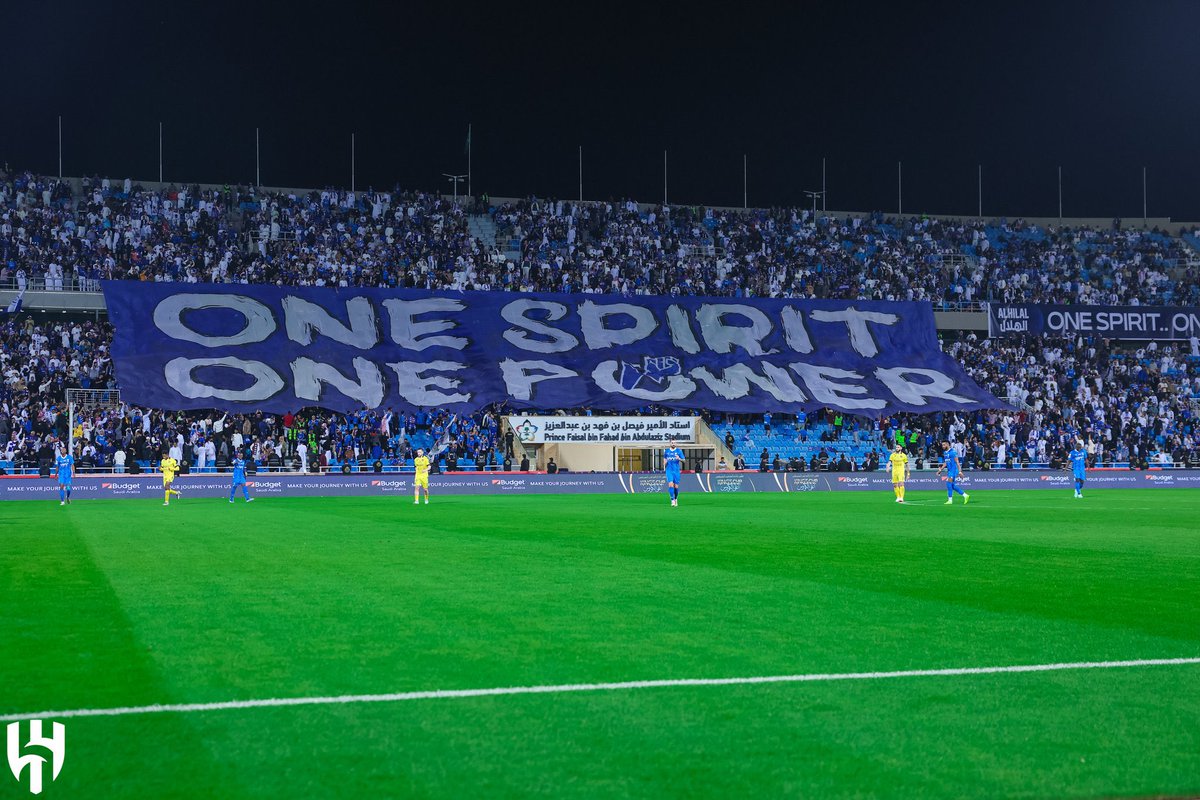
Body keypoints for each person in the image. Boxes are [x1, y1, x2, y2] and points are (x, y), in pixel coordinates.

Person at [938, 441, 970, 505]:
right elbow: (946, 462)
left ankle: (950, 500)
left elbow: (957, 462)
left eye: (944, 445)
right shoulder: (945, 453)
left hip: (954, 470)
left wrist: (960, 471)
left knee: (948, 484)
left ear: (947, 444)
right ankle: (965, 495)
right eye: (942, 445)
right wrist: (941, 469)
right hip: (950, 471)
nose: (943, 446)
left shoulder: (953, 452)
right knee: (952, 486)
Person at [663, 436, 685, 507]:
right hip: (669, 470)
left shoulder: (679, 451)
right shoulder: (666, 451)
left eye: (674, 443)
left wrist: (679, 459)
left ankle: (675, 498)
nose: (673, 444)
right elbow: (664, 460)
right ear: (670, 443)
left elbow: (684, 460)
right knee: (670, 484)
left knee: (676, 487)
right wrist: (665, 462)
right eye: (672, 443)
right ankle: (672, 500)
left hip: (676, 471)